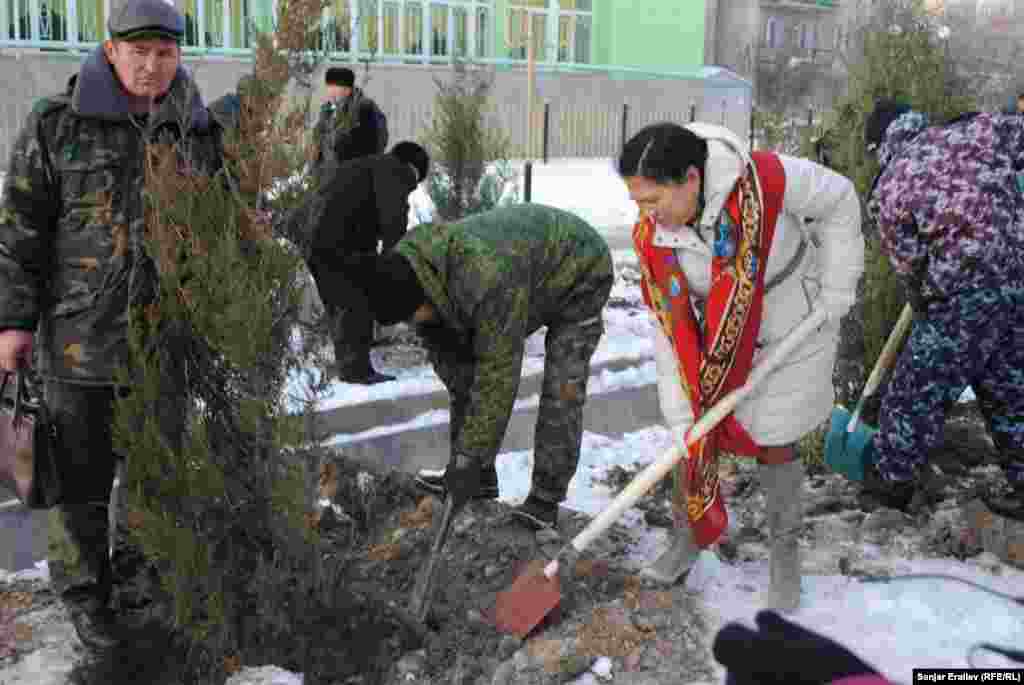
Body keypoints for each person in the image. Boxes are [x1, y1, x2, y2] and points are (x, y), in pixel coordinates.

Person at [0, 0, 221, 650]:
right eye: (139, 52)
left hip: (164, 346)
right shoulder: (56, 125)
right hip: (78, 346)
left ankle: (140, 590)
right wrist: (12, 323)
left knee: (156, 480)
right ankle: (86, 599)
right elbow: (18, 233)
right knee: (79, 485)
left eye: (166, 53)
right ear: (111, 48)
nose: (153, 66)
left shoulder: (196, 130)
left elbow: (220, 229)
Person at [619, 122, 863, 611]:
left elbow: (839, 198)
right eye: (638, 203)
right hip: (712, 339)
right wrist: (681, 413)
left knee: (776, 435)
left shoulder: (765, 177)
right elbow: (669, 329)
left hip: (790, 323)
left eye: (654, 200)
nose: (647, 216)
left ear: (691, 178)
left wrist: (839, 284)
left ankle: (784, 555)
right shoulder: (656, 237)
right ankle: (689, 537)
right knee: (690, 436)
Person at [362, 204, 614, 530]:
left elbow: (498, 374)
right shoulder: (416, 270)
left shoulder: (484, 279)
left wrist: (469, 455)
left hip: (580, 268)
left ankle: (545, 498)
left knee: (561, 387)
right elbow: (458, 374)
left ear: (424, 296)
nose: (412, 325)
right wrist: (464, 462)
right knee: (467, 379)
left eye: (412, 317)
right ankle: (478, 478)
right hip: (528, 270)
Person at [857, 100, 1024, 521]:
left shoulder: (891, 184)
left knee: (915, 391)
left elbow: (908, 261)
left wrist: (921, 294)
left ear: (880, 144)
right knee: (1012, 391)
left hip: (961, 297)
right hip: (1017, 281)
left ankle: (888, 491)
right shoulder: (984, 129)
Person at [302, 141, 430, 384]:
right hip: (339, 245)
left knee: (342, 305)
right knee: (357, 300)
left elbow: (359, 209)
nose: (410, 190)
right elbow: (393, 221)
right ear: (414, 169)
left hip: (315, 241)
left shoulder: (364, 167)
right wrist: (397, 263)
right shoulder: (395, 170)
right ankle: (357, 371)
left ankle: (347, 363)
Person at [312, 66, 388, 180]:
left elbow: (375, 142)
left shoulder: (364, 108)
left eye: (335, 87)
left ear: (348, 89)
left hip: (352, 177)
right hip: (326, 178)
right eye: (329, 86)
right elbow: (318, 141)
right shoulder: (327, 110)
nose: (330, 91)